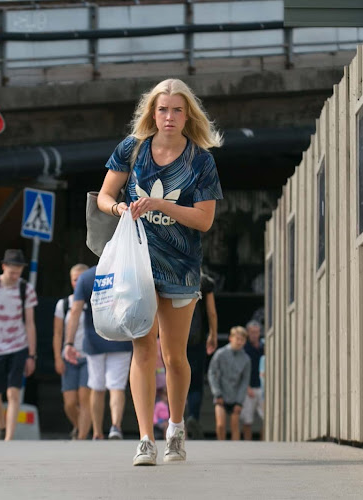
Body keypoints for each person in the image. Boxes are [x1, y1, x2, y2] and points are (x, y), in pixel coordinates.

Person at [96, 78, 223, 465]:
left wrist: (158, 204)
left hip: (182, 266)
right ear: (153, 112)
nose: (169, 116)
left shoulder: (200, 160)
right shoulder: (132, 150)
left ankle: (177, 427)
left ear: (188, 116)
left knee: (175, 355)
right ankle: (145, 439)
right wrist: (119, 208)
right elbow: (103, 196)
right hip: (138, 264)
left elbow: (204, 221)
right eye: (163, 109)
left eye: (177, 110)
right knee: (142, 347)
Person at [64, 265, 133, 440]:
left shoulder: (86, 278)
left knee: (97, 386)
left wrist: (69, 343)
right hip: (121, 338)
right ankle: (115, 426)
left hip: (94, 340)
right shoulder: (127, 272)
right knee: (116, 386)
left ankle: (97, 432)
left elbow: (75, 311)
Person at [0, 249, 38, 441]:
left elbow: (30, 323)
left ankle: (9, 439)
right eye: (12, 271)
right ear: (4, 267)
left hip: (18, 346)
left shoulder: (25, 289)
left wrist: (31, 355)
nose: (15, 275)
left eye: (18, 272)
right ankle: (1, 425)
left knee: (13, 393)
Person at [52, 263, 91, 440]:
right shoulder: (64, 304)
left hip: (89, 356)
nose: (78, 283)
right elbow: (58, 333)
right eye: (75, 279)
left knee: (85, 400)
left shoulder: (96, 301)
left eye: (82, 279)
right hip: (69, 356)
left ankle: (81, 438)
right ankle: (79, 426)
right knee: (69, 402)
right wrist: (57, 359)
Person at [185, 270, 218, 439]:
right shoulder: (204, 281)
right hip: (197, 338)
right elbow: (211, 312)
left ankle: (174, 420)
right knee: (196, 382)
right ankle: (193, 417)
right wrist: (213, 334)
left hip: (175, 336)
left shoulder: (170, 273)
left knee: (175, 377)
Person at [208, 326, 251, 441]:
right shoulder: (220, 354)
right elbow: (212, 373)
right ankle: (221, 447)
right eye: (237, 338)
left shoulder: (246, 359)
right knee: (220, 425)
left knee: (235, 426)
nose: (239, 342)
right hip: (221, 394)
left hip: (236, 396)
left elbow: (244, 381)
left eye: (242, 339)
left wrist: (239, 401)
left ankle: (234, 451)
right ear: (230, 338)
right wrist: (217, 393)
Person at [241, 319, 265, 440]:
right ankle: (247, 443)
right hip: (248, 388)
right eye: (252, 332)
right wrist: (247, 387)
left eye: (257, 332)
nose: (254, 335)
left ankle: (265, 442)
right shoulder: (244, 348)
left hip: (262, 388)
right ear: (248, 333)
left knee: (266, 419)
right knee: (247, 420)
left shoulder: (265, 347)